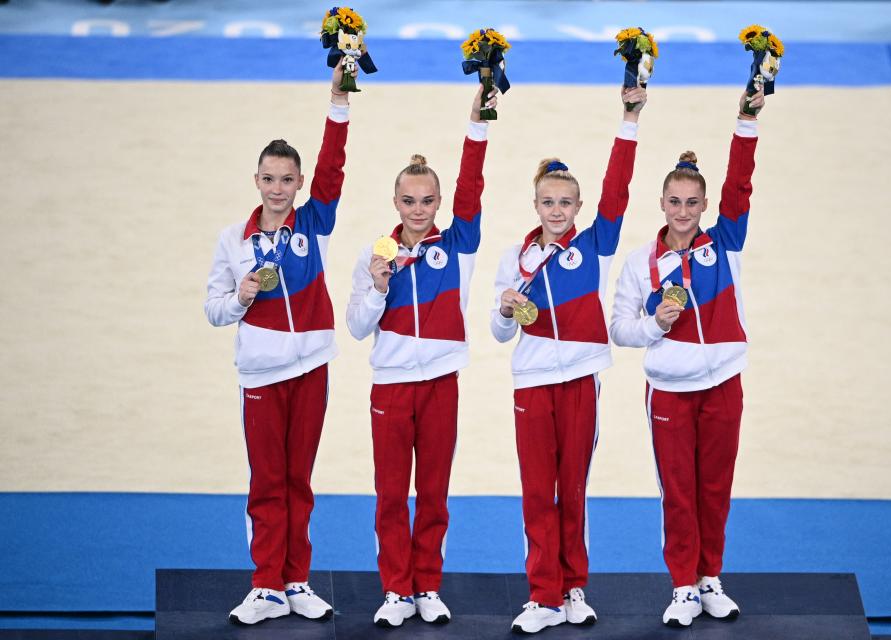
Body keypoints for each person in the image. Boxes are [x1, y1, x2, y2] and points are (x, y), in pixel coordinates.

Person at [203, 65, 357, 626]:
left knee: (300, 480)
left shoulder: (313, 223)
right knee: (267, 482)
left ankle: (296, 580)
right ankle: (265, 585)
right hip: (261, 374)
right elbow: (214, 310)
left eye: (286, 179)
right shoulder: (233, 241)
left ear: (297, 185)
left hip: (312, 365)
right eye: (268, 179)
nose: (277, 188)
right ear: (257, 181)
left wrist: (339, 101)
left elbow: (333, 170)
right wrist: (241, 297)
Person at [491, 84, 646, 634]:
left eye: (565, 204)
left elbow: (618, 190)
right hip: (532, 383)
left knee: (572, 489)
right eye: (548, 203)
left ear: (578, 208)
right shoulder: (516, 256)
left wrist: (629, 120)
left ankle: (574, 587)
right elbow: (496, 332)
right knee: (538, 491)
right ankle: (543, 595)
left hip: (582, 380)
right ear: (535, 205)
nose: (556, 211)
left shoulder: (597, 245)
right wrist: (508, 310)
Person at [609, 88, 767, 627]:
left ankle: (709, 578)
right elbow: (618, 329)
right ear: (662, 204)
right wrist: (655, 325)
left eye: (692, 203)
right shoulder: (640, 263)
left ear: (704, 207)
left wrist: (746, 119)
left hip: (723, 382)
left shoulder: (725, 243)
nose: (682, 212)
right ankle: (682, 586)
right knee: (678, 492)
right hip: (670, 391)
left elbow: (740, 184)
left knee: (715, 489)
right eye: (673, 202)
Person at [346, 84, 498, 628]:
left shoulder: (456, 248)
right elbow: (357, 327)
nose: (417, 210)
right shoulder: (375, 253)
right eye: (408, 201)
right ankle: (395, 589)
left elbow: (473, 187)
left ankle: (427, 585)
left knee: (432, 491)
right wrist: (379, 288)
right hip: (389, 385)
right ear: (395, 203)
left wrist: (479, 121)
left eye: (427, 201)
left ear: (438, 203)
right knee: (391, 493)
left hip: (440, 383)